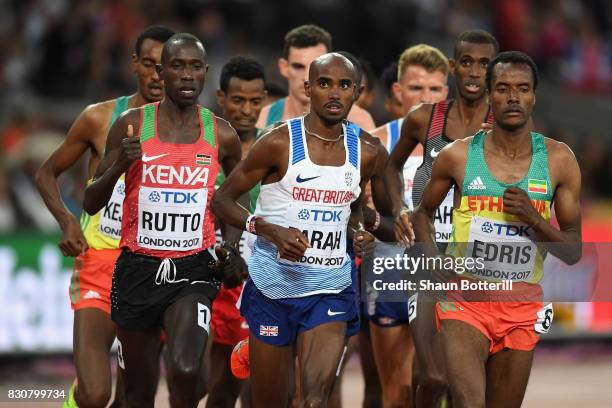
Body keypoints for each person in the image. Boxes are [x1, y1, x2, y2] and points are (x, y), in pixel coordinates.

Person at [408, 50, 582, 408]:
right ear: (489, 95)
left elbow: (573, 251)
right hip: (464, 300)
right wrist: (431, 262)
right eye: (503, 88)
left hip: (521, 306)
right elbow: (421, 213)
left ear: (534, 95)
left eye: (522, 88)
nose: (513, 97)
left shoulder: (559, 160)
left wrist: (534, 220)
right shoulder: (458, 155)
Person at [83, 33, 243, 407]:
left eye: (194, 68)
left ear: (205, 72)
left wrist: (232, 246)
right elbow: (92, 201)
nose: (187, 76)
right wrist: (118, 167)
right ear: (162, 71)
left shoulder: (221, 134)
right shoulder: (132, 124)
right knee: (137, 392)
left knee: (186, 369)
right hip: (137, 269)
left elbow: (233, 196)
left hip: (194, 268)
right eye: (177, 66)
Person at [212, 53, 382, 407]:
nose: (334, 93)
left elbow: (353, 208)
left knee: (314, 400)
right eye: (324, 84)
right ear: (308, 89)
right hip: (272, 288)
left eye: (344, 85)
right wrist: (270, 231)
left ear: (356, 92)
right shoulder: (278, 142)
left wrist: (358, 231)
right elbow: (222, 200)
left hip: (329, 289)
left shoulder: (367, 151)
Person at [34, 25, 175, 408]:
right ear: (134, 63)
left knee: (132, 398)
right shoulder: (99, 118)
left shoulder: (193, 131)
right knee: (94, 395)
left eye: (167, 67)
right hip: (100, 261)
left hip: (153, 270)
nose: (158, 76)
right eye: (149, 64)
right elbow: (46, 172)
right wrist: (66, 220)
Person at [386, 30, 499, 407]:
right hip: (426, 259)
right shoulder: (424, 120)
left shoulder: (503, 124)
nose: (474, 71)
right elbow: (390, 168)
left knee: (462, 382)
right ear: (453, 67)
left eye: (484, 64)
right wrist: (400, 209)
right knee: (432, 375)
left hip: (478, 266)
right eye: (466, 62)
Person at [368, 43, 450, 408]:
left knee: (442, 382)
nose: (425, 97)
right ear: (399, 91)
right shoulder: (378, 142)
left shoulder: (464, 143)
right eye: (417, 88)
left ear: (446, 92)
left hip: (446, 272)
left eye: (434, 89)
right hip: (390, 271)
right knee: (397, 391)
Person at [207, 55, 267, 408]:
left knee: (232, 385)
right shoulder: (200, 141)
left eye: (255, 101)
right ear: (221, 98)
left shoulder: (275, 147)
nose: (246, 110)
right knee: (194, 376)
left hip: (249, 279)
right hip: (201, 272)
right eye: (238, 100)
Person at [256, 24, 376, 131]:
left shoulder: (360, 121)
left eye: (315, 66)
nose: (306, 77)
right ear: (283, 67)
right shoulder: (263, 119)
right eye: (298, 66)